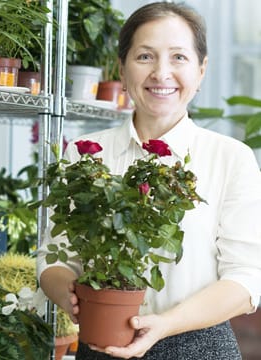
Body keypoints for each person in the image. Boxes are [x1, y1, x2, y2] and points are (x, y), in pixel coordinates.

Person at [37, 2, 261, 359]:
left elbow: (246, 280)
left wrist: (166, 324)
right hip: (102, 344)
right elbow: (54, 259)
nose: (161, 73)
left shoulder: (230, 159)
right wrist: (72, 297)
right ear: (122, 69)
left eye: (178, 58)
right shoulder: (84, 154)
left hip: (198, 347)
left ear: (201, 71)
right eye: (144, 57)